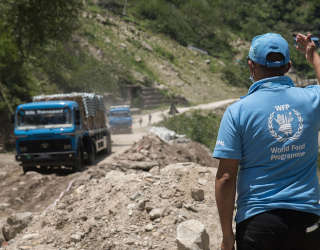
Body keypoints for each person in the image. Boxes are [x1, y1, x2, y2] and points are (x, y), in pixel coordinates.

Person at [213, 33, 320, 250]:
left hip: (258, 224)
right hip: (307, 222)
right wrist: (313, 55)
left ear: (251, 66)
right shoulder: (310, 100)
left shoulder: (238, 112)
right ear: (288, 66)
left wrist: (227, 236)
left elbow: (226, 177)